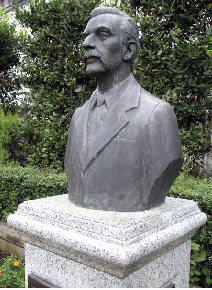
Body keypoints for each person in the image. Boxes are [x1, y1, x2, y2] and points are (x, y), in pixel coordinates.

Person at [64, 7, 183, 212]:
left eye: (102, 35)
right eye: (86, 36)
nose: (87, 44)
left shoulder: (156, 115)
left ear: (129, 50)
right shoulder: (78, 117)